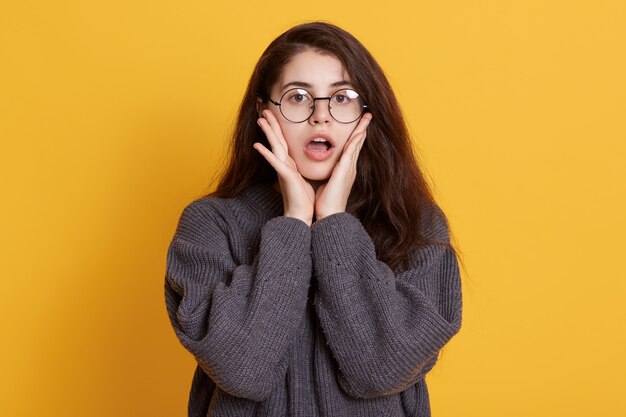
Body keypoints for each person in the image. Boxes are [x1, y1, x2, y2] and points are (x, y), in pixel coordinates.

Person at [164, 21, 463, 417]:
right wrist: (294, 221)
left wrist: (334, 222)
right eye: (298, 96)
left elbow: (381, 368)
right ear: (263, 111)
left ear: (367, 114)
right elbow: (242, 370)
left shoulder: (415, 223)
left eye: (342, 98)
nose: (320, 116)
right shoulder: (210, 225)